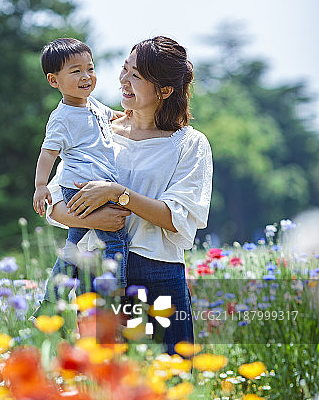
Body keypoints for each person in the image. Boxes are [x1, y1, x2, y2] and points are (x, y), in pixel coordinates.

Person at [46, 36, 213, 354]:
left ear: (164, 91)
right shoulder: (95, 129)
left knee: (171, 383)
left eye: (136, 76)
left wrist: (119, 194)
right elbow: (54, 202)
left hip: (156, 271)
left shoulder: (189, 144)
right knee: (104, 385)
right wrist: (96, 219)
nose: (123, 80)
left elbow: (178, 218)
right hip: (98, 271)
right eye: (124, 69)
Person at [33, 38, 129, 306]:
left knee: (72, 248)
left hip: (92, 184)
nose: (86, 76)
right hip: (82, 186)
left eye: (90, 68)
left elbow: (116, 116)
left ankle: (50, 304)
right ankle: (115, 293)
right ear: (54, 81)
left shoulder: (93, 104)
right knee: (116, 239)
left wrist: (140, 119)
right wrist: (41, 186)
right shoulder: (61, 117)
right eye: (76, 71)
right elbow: (48, 153)